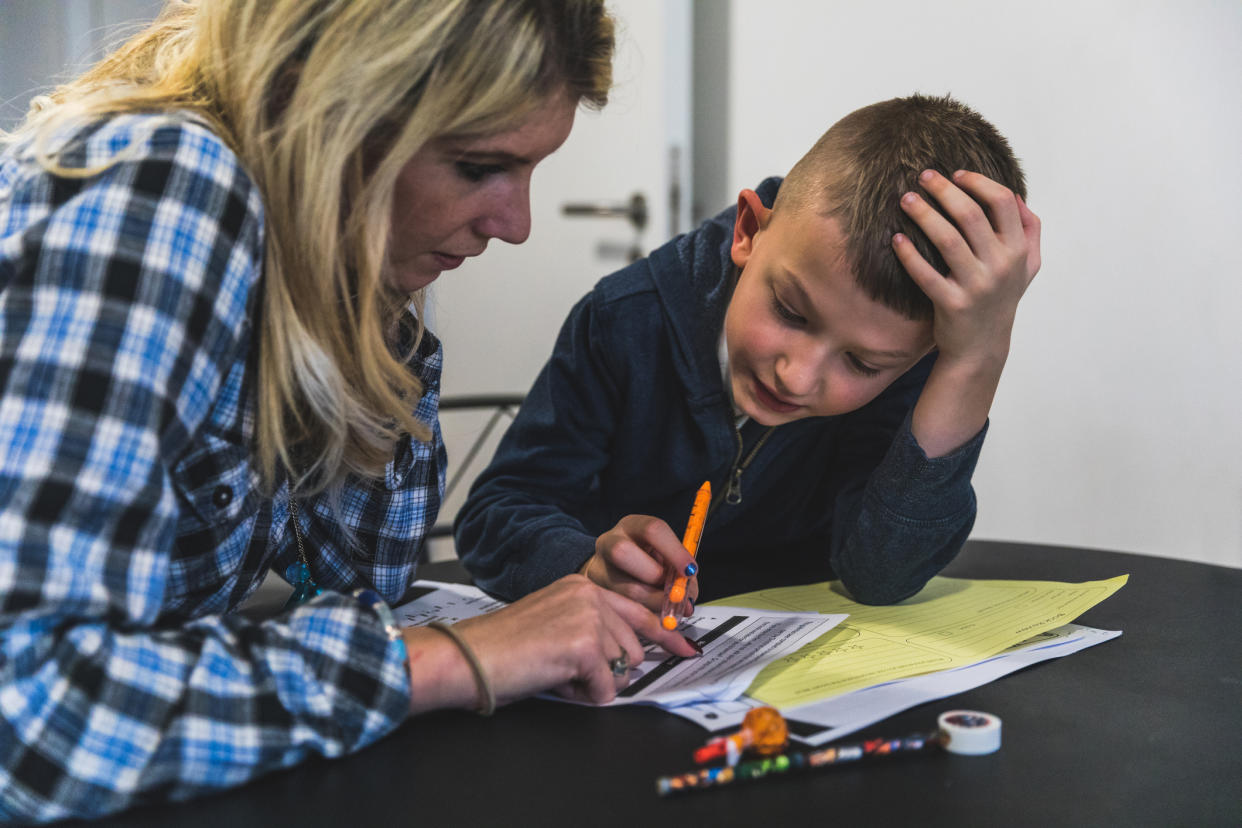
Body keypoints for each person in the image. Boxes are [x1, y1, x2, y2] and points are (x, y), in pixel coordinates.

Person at [0, 0, 697, 822]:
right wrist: (457, 658)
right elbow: (32, 714)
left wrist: (367, 305)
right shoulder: (163, 184)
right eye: (479, 168)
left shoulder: (318, 243)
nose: (515, 225)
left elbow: (362, 576)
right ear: (331, 109)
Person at [456, 93, 1042, 611]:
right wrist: (587, 565)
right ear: (747, 232)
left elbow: (881, 574)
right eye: (790, 311)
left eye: (861, 365)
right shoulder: (625, 318)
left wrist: (973, 360)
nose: (797, 375)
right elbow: (496, 515)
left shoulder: (904, 364)